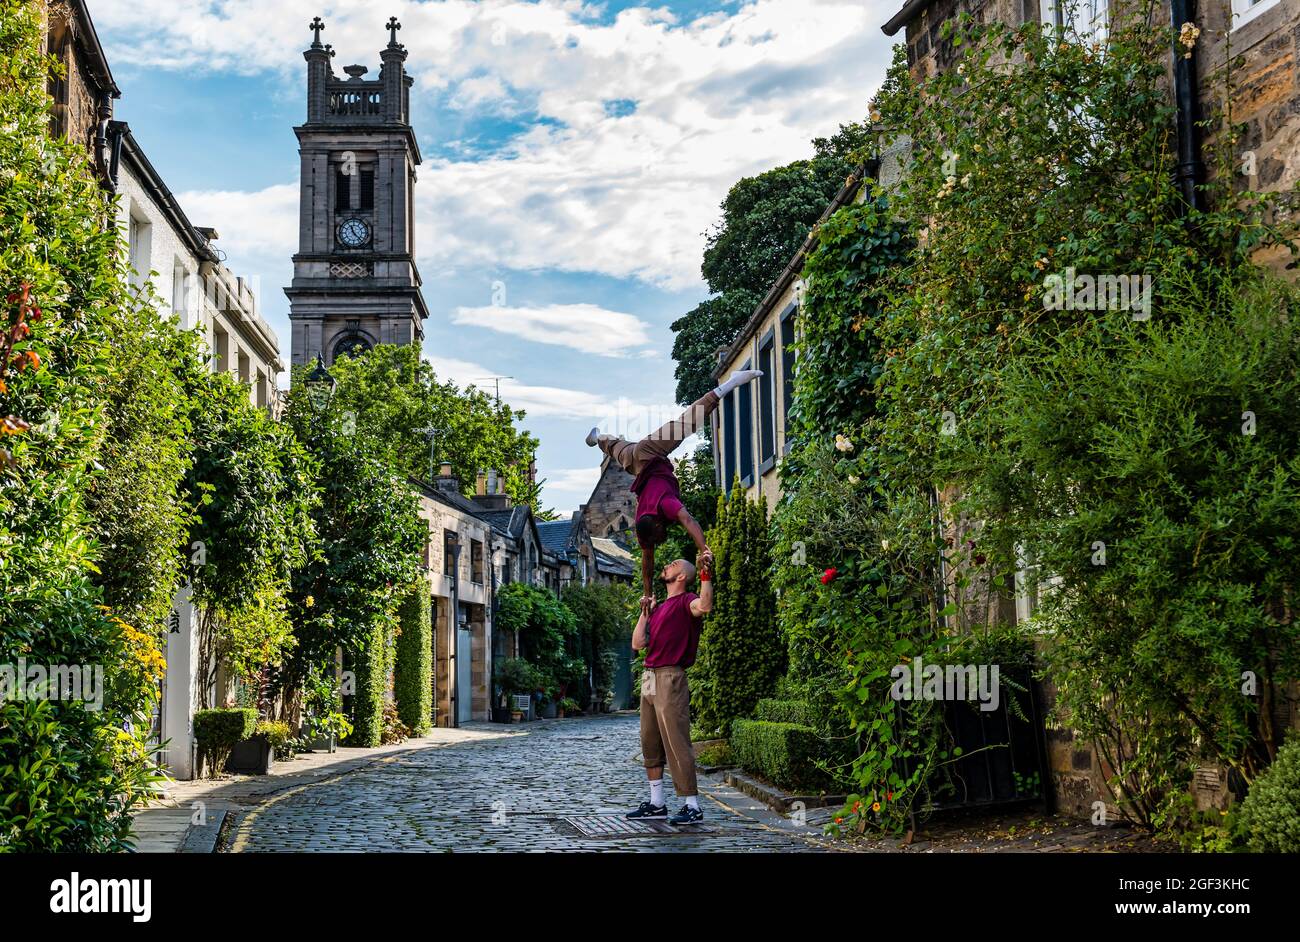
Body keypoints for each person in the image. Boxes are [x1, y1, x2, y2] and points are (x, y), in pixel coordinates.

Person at [586, 368, 761, 603]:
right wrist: (647, 595)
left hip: (649, 453)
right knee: (615, 448)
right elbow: (647, 563)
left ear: (658, 524)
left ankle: (730, 383)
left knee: (684, 425)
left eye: (660, 533)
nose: (662, 536)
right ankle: (597, 438)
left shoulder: (664, 506)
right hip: (633, 464)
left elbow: (688, 521)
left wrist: (704, 548)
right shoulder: (642, 527)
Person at [626, 557, 712, 825]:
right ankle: (657, 803)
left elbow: (705, 606)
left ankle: (692, 806)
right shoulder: (659, 607)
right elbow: (638, 643)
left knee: (676, 740)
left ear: (682, 577)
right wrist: (645, 613)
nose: (667, 565)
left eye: (674, 564)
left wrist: (705, 574)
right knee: (649, 741)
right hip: (649, 675)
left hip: (670, 674)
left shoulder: (688, 600)